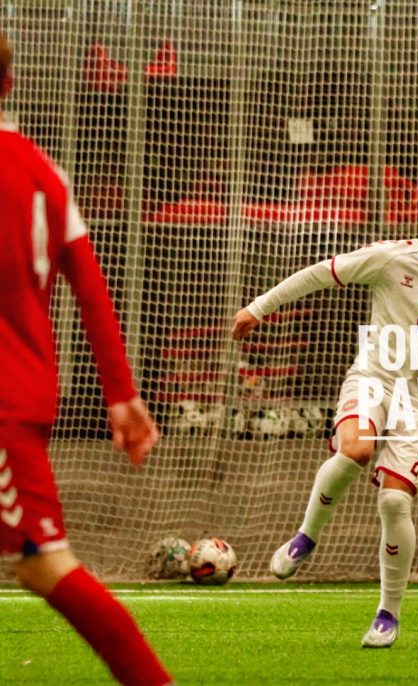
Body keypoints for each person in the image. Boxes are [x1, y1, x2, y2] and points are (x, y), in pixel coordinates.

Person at [232, 173, 418, 648]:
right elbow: (320, 273)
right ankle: (306, 536)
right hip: (374, 379)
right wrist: (259, 307)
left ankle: (387, 613)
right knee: (356, 450)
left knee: (395, 502)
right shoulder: (389, 258)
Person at [0, 33, 172, 686]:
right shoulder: (45, 172)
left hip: (4, 404)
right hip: (23, 392)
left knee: (43, 561)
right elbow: (92, 288)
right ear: (9, 85)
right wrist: (121, 396)